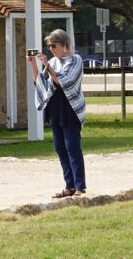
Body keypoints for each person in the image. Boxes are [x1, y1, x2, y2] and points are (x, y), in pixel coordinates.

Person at [27, 28, 86, 198]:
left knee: (72, 147)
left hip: (70, 109)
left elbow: (64, 81)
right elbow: (41, 83)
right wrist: (33, 64)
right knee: (60, 148)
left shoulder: (76, 60)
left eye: (54, 45)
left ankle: (79, 186)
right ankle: (69, 185)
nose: (51, 49)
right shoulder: (53, 62)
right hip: (55, 109)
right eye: (49, 46)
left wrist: (47, 65)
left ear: (64, 44)